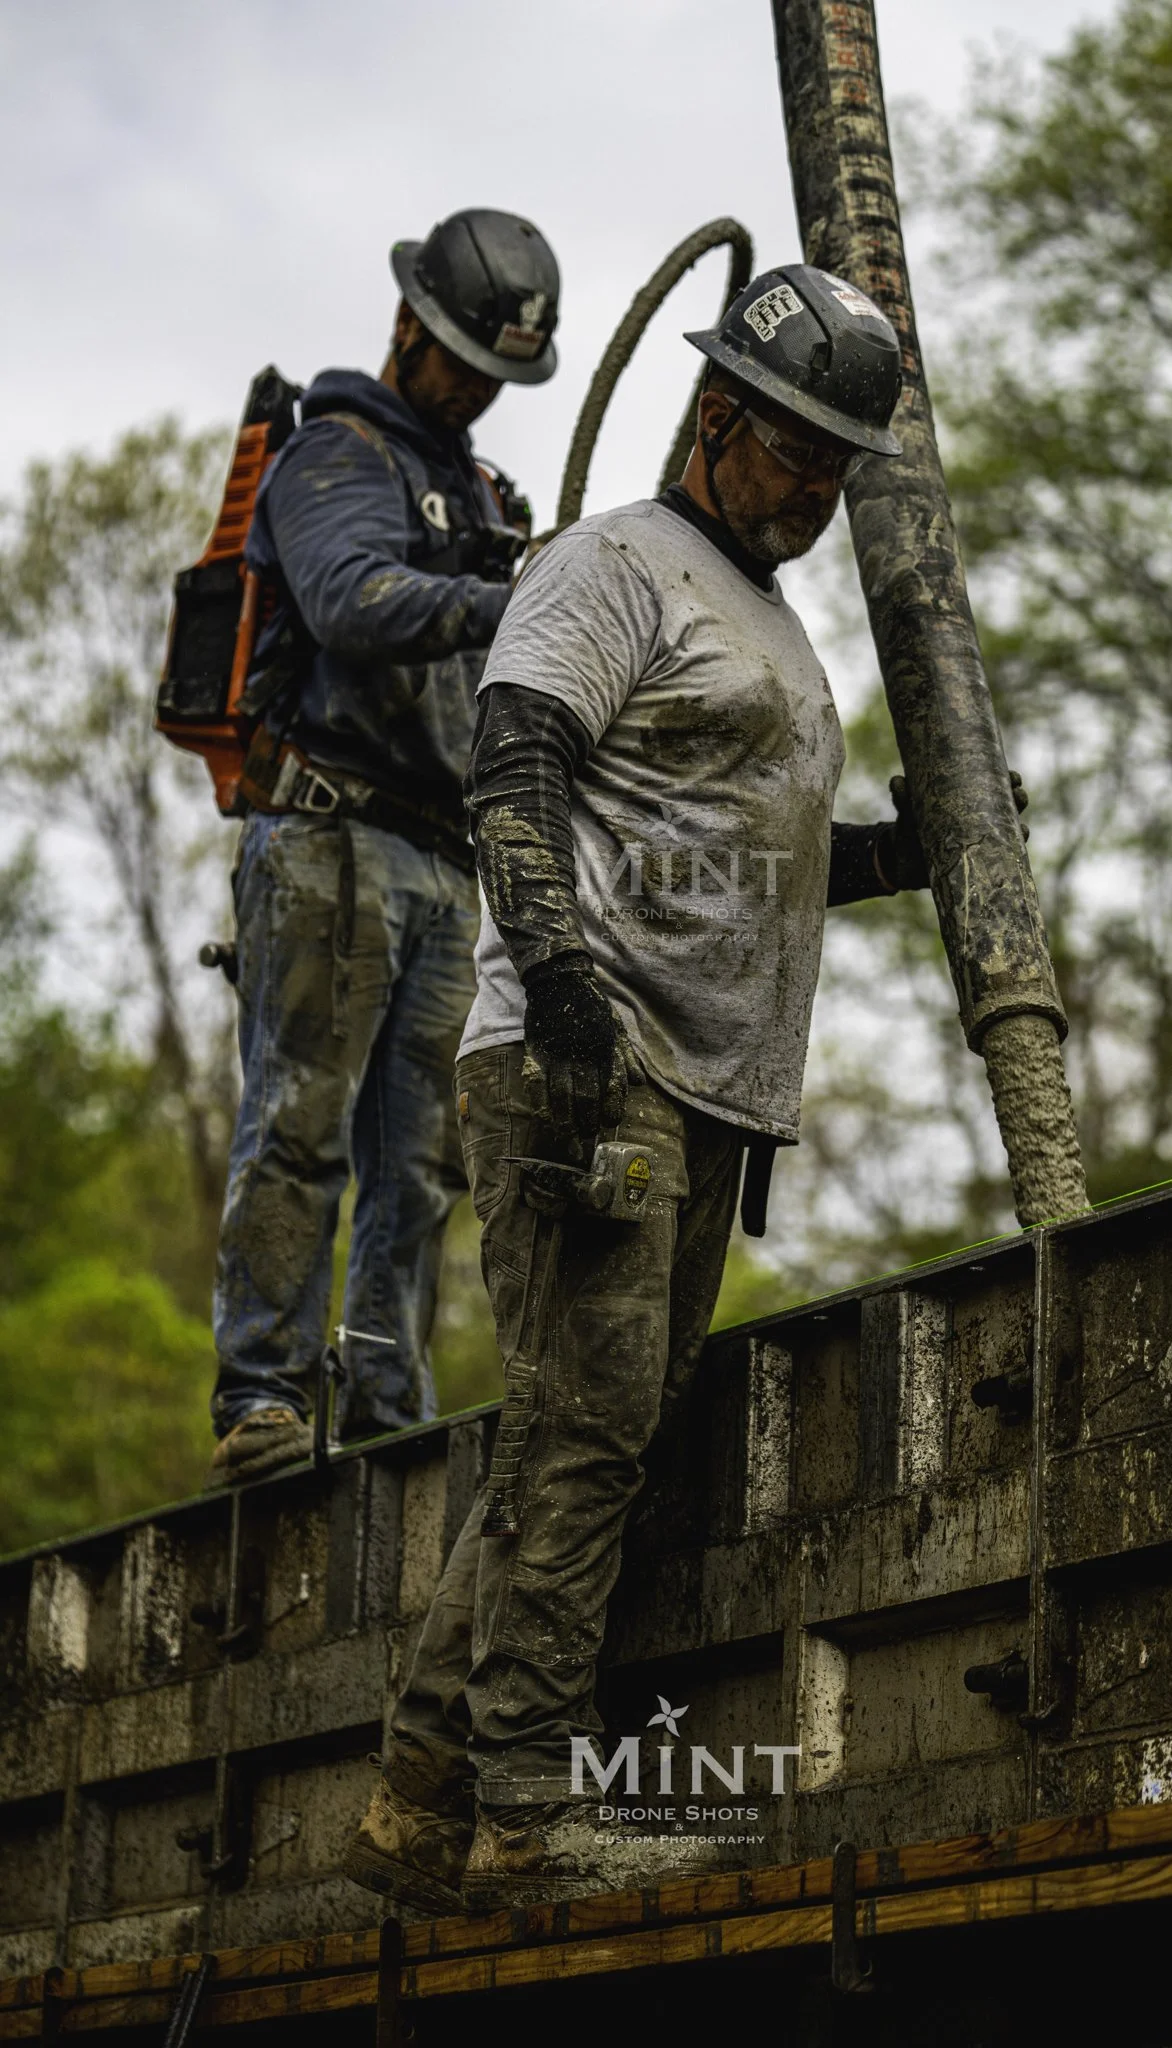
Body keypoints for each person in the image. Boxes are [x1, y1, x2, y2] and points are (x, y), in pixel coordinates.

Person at [347, 265, 1028, 1911]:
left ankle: (420, 1787)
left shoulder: (770, 624)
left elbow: (747, 866)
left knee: (594, 1434)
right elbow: (518, 763)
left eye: (841, 468)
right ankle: (523, 1807)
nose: (819, 493)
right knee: (586, 1439)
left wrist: (906, 851)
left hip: (710, 1085)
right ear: (721, 415)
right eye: (802, 455)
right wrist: (565, 982)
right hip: (594, 1063)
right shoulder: (611, 566)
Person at [208, 209, 560, 1488]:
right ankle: (261, 1394)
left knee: (416, 1167)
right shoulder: (334, 455)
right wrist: (503, 595)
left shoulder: (483, 497)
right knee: (300, 1125)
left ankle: (383, 1405)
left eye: (496, 369)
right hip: (328, 835)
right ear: (411, 324)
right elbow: (351, 600)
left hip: (440, 859)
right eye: (464, 355)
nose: (475, 386)